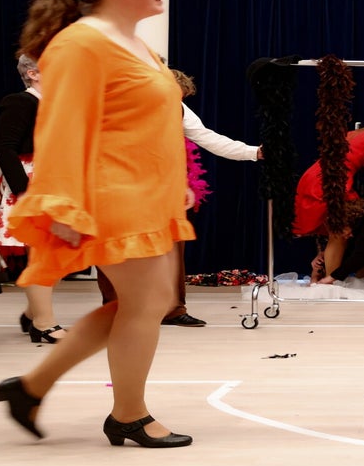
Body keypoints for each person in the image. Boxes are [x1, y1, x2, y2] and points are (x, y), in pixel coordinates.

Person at [0, 0, 194, 447]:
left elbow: (141, 122)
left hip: (147, 191)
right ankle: (129, 415)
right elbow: (61, 128)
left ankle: (31, 388)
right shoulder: (81, 44)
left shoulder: (133, 42)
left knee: (147, 302)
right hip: (113, 192)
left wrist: (177, 181)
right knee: (147, 304)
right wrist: (63, 203)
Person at [94, 68, 262, 327]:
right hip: (117, 183)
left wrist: (253, 152)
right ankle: (116, 309)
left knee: (171, 247)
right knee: (116, 247)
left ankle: (172, 310)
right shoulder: (116, 104)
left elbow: (208, 137)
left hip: (163, 186)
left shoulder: (178, 109)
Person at [0, 55, 68, 342]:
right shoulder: (19, 102)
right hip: (31, 184)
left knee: (61, 254)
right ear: (32, 73)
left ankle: (34, 312)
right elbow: (5, 147)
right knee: (40, 253)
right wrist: (24, 191)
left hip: (58, 184)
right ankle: (44, 322)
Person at [295, 120, 364, 280]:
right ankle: (330, 280)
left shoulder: (353, 134)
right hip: (333, 182)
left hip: (313, 177)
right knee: (341, 232)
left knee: (337, 231)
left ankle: (326, 277)